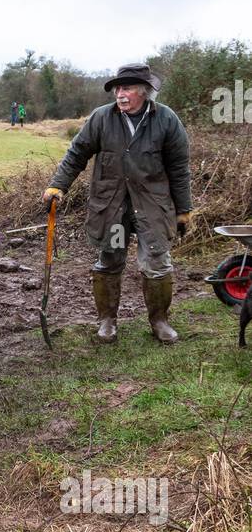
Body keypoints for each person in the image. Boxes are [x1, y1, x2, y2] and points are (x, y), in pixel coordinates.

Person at [42, 62, 191, 344]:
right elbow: (77, 154)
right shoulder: (102, 118)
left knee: (157, 263)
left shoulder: (166, 120)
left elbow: (179, 168)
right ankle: (107, 321)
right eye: (118, 89)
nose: (120, 94)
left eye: (127, 88)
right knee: (110, 259)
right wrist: (57, 185)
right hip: (114, 209)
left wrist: (184, 209)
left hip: (151, 207)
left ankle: (159, 320)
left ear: (144, 92)